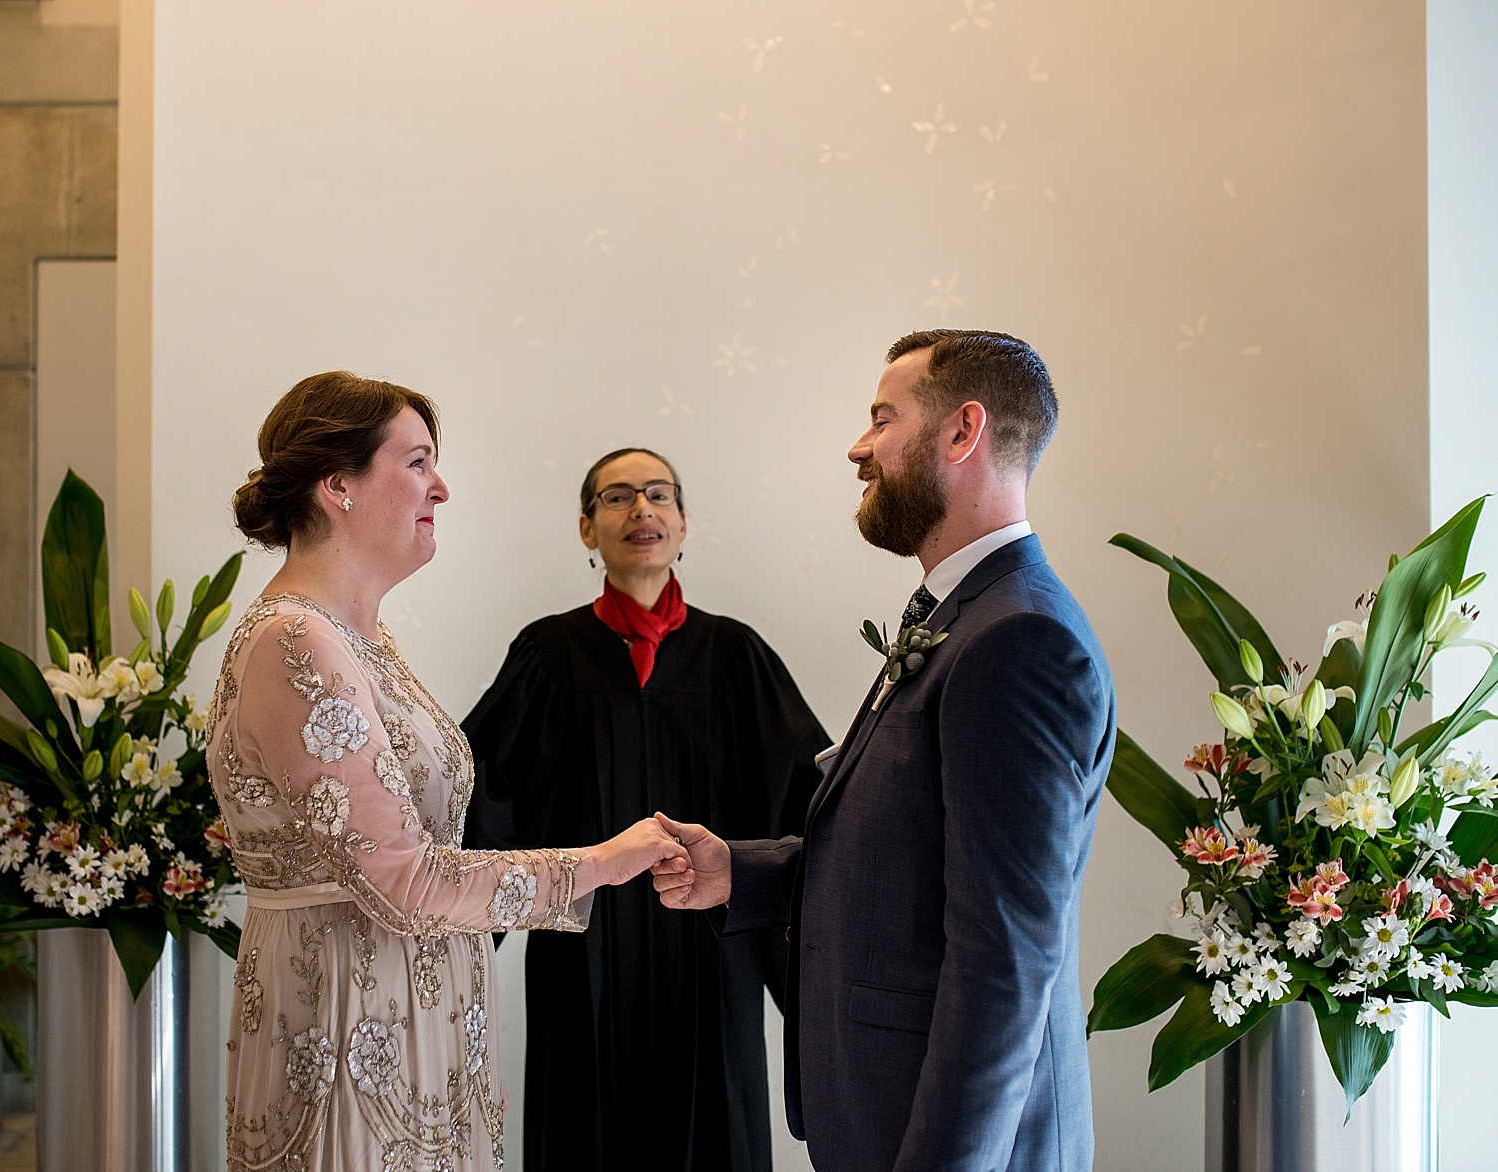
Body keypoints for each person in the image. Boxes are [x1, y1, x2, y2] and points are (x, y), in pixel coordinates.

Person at [652, 330, 1116, 1172]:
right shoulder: (963, 618)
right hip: (879, 1115)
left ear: (959, 432)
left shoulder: (1018, 641)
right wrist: (740, 870)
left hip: (947, 1141)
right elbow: (911, 859)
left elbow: (1006, 958)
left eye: (881, 419)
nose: (858, 448)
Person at [208, 371, 686, 1172]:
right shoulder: (295, 643)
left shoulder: (361, 639)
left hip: (413, 1029)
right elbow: (399, 877)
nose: (442, 487)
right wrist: (602, 863)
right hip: (349, 1036)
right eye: (418, 462)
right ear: (338, 486)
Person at [462, 448, 830, 1172]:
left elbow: (809, 801)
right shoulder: (548, 653)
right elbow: (480, 797)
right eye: (617, 497)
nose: (640, 510)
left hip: (712, 952)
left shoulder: (734, 655)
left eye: (658, 495)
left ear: (683, 523)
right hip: (582, 951)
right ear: (584, 528)